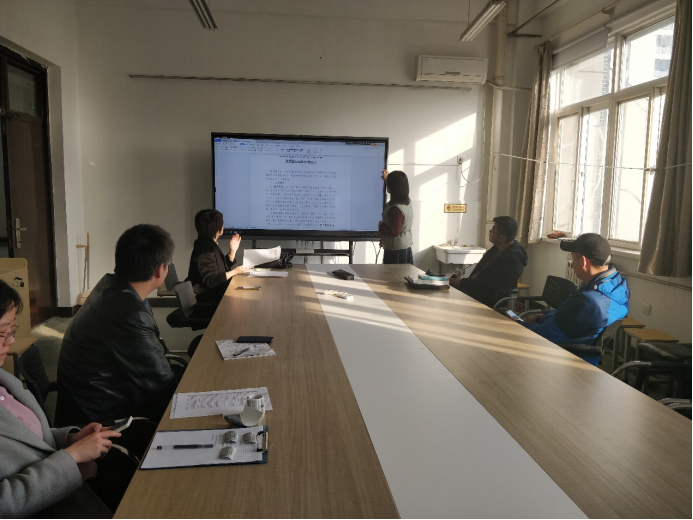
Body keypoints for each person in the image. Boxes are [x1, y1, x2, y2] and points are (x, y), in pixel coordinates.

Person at [0, 280, 119, 519]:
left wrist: (71, 439)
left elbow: (28, 438)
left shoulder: (5, 379)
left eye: (11, 329)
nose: (11, 340)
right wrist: (71, 457)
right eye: (2, 332)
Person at [56, 224, 178, 427]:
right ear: (160, 270)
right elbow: (162, 387)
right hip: (101, 424)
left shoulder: (109, 287)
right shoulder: (129, 313)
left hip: (87, 405)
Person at [520, 233, 629, 354]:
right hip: (584, 350)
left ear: (583, 261)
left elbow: (547, 334)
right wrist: (548, 316)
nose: (571, 264)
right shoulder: (617, 286)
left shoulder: (587, 301)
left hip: (564, 355)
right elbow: (574, 318)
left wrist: (516, 324)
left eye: (572, 258)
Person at [449, 216, 528, 308]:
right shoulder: (497, 249)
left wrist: (462, 282)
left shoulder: (513, 261)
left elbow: (489, 285)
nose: (489, 232)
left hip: (487, 297)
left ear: (502, 238)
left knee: (450, 295)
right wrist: (461, 281)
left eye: (493, 230)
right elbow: (480, 273)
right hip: (476, 289)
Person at [187, 209, 249, 305]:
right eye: (221, 224)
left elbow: (220, 270)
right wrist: (235, 272)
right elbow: (210, 280)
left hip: (213, 297)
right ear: (215, 227)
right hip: (208, 302)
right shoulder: (205, 248)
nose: (223, 226)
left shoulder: (208, 244)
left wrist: (232, 251)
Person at [379, 169, 414, 264]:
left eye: (388, 184)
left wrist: (381, 226)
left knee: (394, 273)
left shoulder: (395, 209)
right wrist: (387, 179)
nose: (387, 185)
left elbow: (394, 232)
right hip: (404, 246)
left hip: (396, 251)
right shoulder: (406, 201)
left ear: (392, 187)